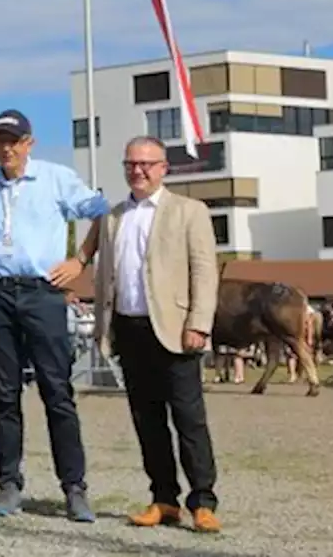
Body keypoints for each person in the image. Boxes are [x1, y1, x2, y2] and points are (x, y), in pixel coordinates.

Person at [0, 109, 108, 522]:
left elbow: (101, 210)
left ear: (29, 143)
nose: (6, 148)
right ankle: (9, 485)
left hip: (43, 293)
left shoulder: (55, 178)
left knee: (57, 392)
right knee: (4, 396)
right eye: (0, 140)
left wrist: (80, 261)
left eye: (14, 140)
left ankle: (74, 488)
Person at [92, 135, 221, 535]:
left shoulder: (189, 211)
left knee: (188, 418)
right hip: (129, 329)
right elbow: (104, 277)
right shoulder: (112, 217)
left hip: (175, 329)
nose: (138, 170)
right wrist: (103, 328)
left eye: (147, 163)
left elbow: (203, 269)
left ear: (164, 168)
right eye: (131, 164)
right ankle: (163, 498)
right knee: (147, 421)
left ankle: (202, 500)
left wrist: (199, 322)